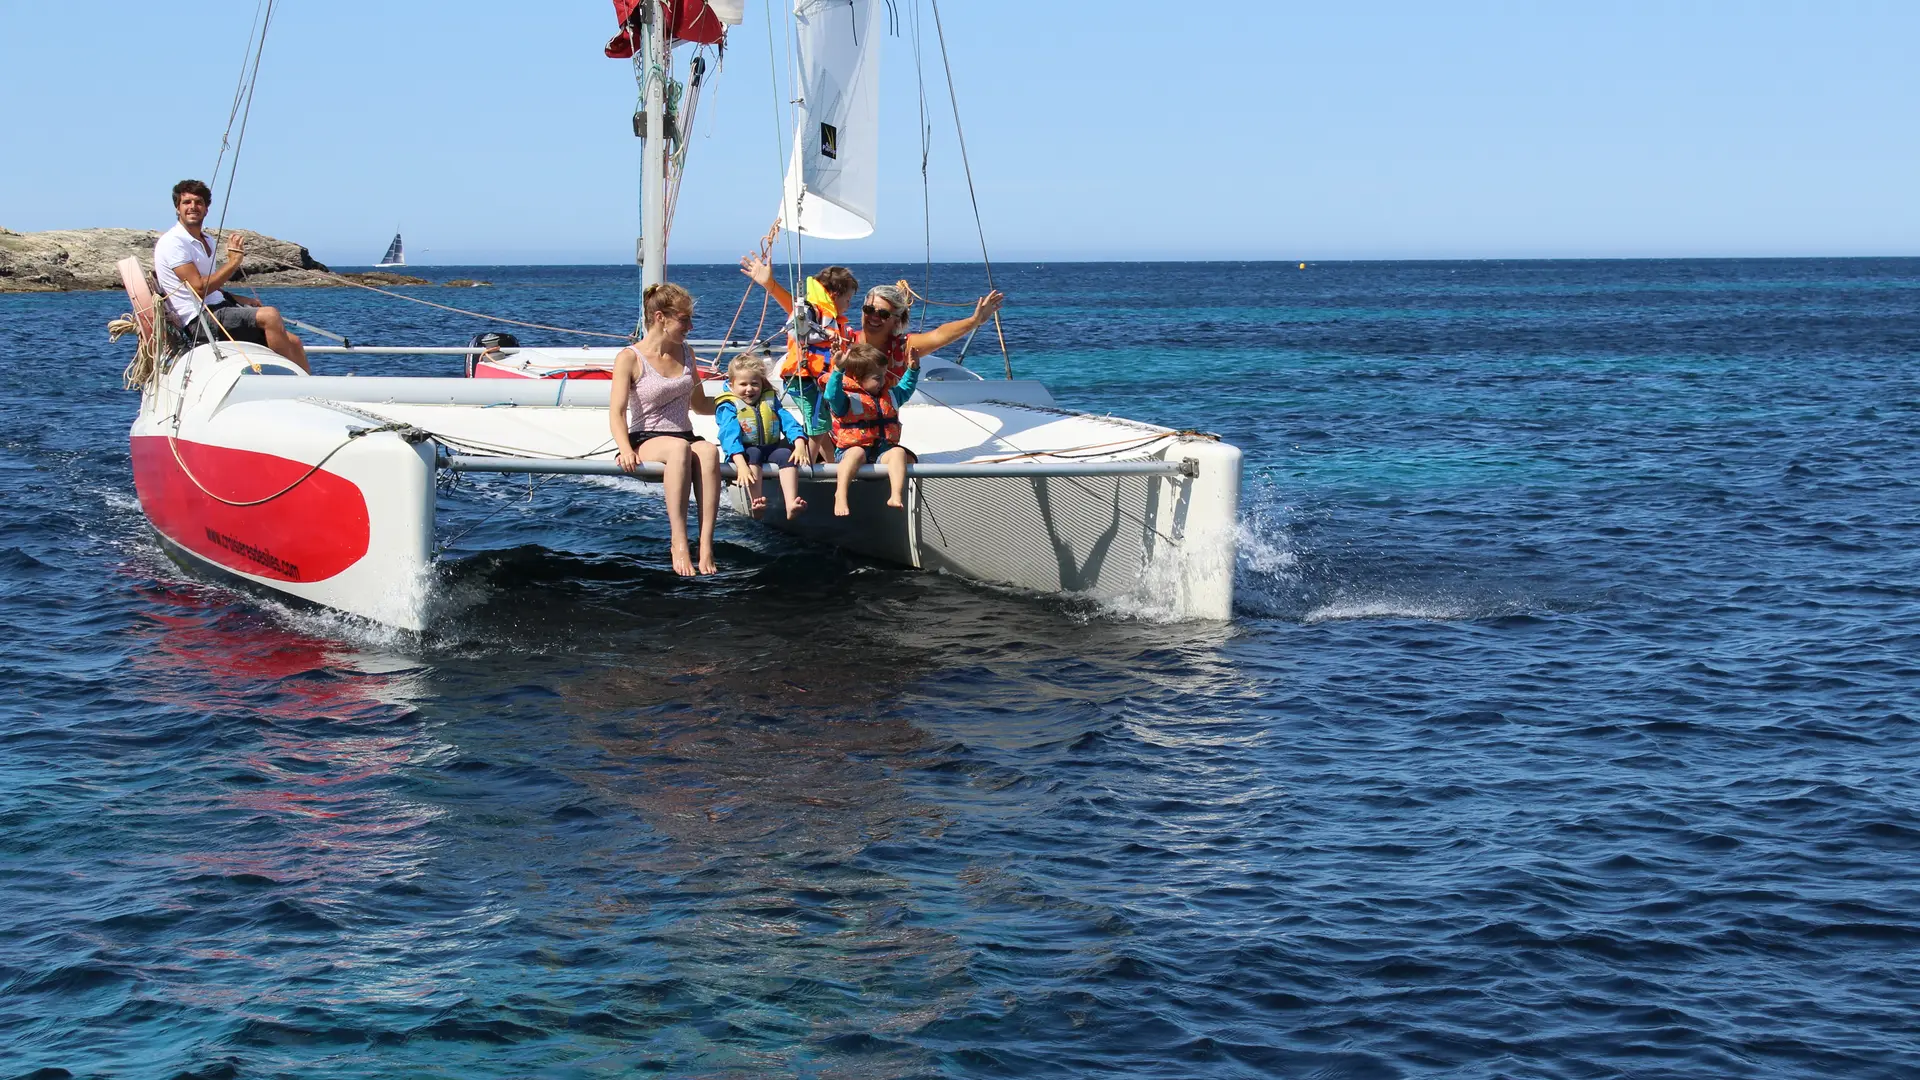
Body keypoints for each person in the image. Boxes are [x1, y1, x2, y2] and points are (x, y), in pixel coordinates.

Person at [609, 282, 722, 576]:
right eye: (684, 319)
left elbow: (699, 404)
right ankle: (679, 542)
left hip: (683, 433)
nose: (690, 326)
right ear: (661, 317)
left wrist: (734, 400)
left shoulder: (687, 353)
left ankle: (707, 544)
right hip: (647, 436)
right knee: (679, 448)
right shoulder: (629, 358)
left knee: (708, 451)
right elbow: (617, 412)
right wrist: (624, 449)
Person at [153, 179, 308, 371]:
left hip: (218, 308)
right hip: (198, 320)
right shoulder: (174, 242)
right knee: (270, 316)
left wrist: (239, 298)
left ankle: (310, 388)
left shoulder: (206, 240)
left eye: (198, 202)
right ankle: (283, 380)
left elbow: (211, 289)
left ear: (206, 209)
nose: (193, 207)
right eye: (187, 202)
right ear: (177, 208)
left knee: (294, 342)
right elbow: (199, 289)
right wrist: (234, 262)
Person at [739, 257, 857, 464]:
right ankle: (806, 466)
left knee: (822, 423)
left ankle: (832, 464)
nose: (849, 305)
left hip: (816, 378)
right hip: (802, 377)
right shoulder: (808, 309)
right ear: (835, 295)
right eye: (848, 299)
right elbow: (796, 331)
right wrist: (827, 335)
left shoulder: (827, 315)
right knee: (818, 423)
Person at [825, 342, 920, 517]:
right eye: (877, 377)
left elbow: (906, 388)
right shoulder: (845, 400)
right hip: (850, 452)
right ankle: (841, 494)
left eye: (884, 375)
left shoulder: (890, 395)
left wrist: (913, 370)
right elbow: (831, 394)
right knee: (856, 453)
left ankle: (896, 495)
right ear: (858, 377)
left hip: (882, 452)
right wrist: (838, 370)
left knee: (898, 453)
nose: (883, 381)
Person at [853, 281, 1004, 385]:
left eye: (884, 314)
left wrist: (973, 321)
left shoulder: (901, 348)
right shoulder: (844, 340)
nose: (874, 317)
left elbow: (939, 335)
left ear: (897, 321)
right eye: (869, 310)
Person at [714, 355, 808, 521]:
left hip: (769, 448)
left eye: (754, 384)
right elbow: (729, 436)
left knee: (786, 454)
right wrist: (741, 466)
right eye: (743, 384)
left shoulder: (770, 401)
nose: (749, 389)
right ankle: (756, 502)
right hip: (743, 453)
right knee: (753, 454)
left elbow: (789, 423)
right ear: (731, 385)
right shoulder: (728, 406)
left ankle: (790, 503)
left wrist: (800, 444)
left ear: (761, 383)